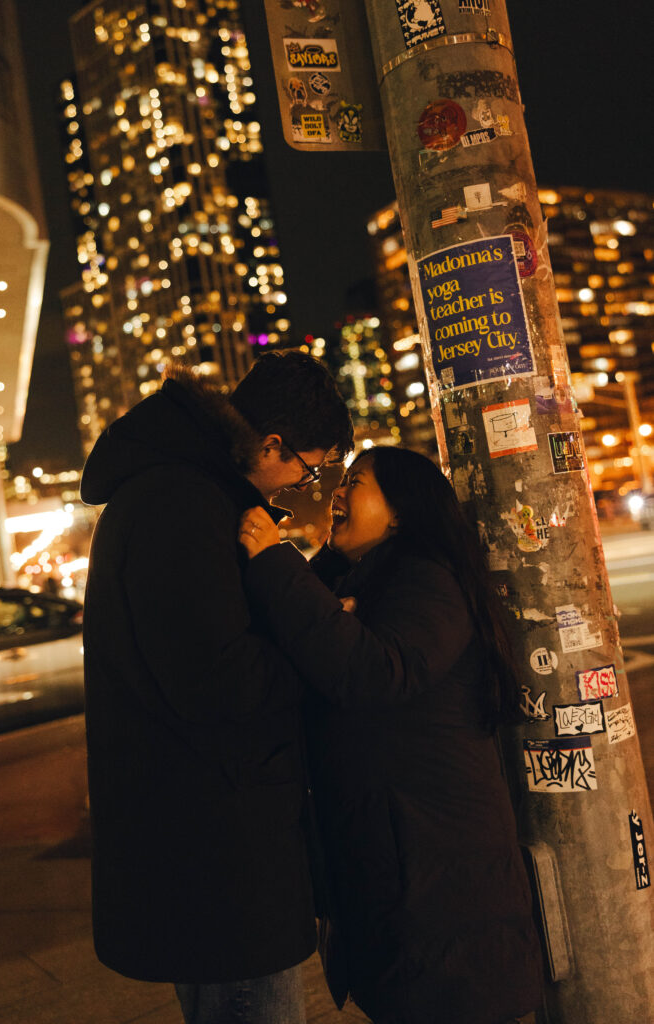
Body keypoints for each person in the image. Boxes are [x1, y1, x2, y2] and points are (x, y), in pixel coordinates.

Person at [80, 352, 354, 1024]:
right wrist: (317, 645)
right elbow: (217, 680)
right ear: (269, 443)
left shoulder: (177, 491)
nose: (302, 485)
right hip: (218, 854)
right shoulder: (182, 503)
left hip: (207, 835)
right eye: (306, 467)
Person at [239, 446, 544, 1024]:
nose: (336, 491)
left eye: (355, 482)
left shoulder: (426, 579)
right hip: (399, 872)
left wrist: (279, 567)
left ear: (401, 512)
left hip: (441, 886)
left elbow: (378, 673)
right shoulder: (360, 581)